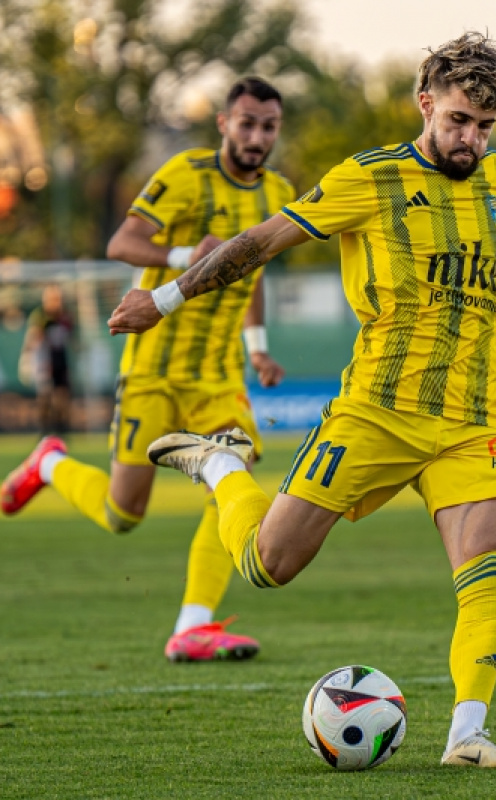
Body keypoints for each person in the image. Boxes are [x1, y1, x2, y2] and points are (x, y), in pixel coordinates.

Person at [106, 33, 496, 768]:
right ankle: (223, 469)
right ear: (425, 104)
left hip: (475, 417)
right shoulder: (368, 178)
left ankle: (466, 735)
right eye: (457, 122)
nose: (470, 140)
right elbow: (259, 241)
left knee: (489, 562)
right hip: (375, 410)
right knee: (268, 565)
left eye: (484, 127)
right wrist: (161, 299)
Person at [1, 76, 292, 662]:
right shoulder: (185, 173)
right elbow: (122, 243)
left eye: (268, 126)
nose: (256, 136)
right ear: (223, 123)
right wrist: (191, 255)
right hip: (153, 369)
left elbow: (251, 273)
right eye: (246, 123)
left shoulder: (279, 193)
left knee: (232, 469)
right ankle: (51, 463)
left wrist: (256, 345)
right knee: (122, 513)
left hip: (216, 376)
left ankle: (194, 625)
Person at [19, 283, 74, 436]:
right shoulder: (40, 317)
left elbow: (71, 340)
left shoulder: (66, 316)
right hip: (44, 361)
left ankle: (61, 430)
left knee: (63, 397)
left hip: (61, 361)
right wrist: (29, 360)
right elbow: (33, 340)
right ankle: (44, 431)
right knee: (45, 396)